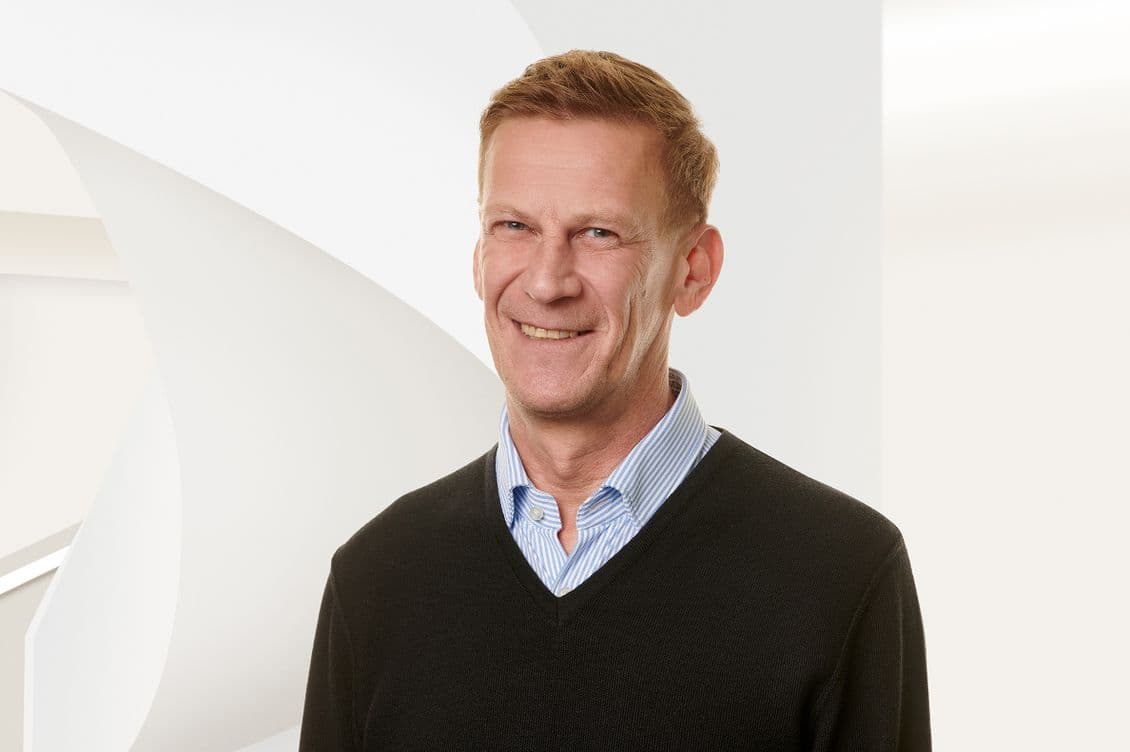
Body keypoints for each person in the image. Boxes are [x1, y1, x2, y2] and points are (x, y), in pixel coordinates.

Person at [299, 50, 931, 751]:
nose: (546, 280)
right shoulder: (377, 578)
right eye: (514, 227)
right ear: (478, 257)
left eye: (597, 233)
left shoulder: (839, 575)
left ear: (693, 270)